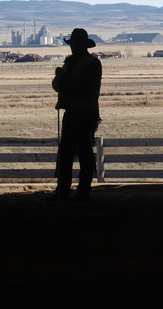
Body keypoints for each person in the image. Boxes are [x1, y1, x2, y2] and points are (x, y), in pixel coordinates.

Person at [48, 28, 102, 201]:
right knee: (66, 153)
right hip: (75, 111)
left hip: (84, 113)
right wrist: (59, 81)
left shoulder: (91, 63)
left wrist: (63, 80)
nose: (72, 48)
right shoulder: (73, 62)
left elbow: (84, 89)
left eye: (74, 45)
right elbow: (59, 86)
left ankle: (80, 191)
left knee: (82, 152)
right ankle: (64, 191)